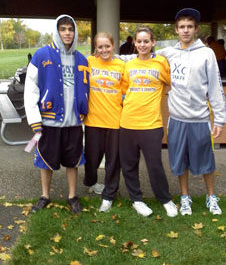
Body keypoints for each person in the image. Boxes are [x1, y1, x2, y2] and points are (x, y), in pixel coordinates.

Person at [157, 8, 226, 216]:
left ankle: (211, 196)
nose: (185, 30)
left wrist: (220, 119)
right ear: (176, 30)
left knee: (206, 162)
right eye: (181, 27)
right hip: (177, 120)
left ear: (196, 29)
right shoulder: (168, 53)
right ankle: (185, 197)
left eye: (189, 26)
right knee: (179, 162)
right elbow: (141, 55)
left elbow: (215, 87)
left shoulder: (207, 53)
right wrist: (110, 56)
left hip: (200, 119)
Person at [24, 14, 89, 214]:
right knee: (45, 161)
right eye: (63, 29)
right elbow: (31, 90)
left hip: (73, 123)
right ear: (57, 31)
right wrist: (35, 120)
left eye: (71, 29)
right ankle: (45, 195)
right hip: (49, 123)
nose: (67, 33)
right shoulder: (41, 56)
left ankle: (72, 197)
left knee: (73, 161)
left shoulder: (81, 58)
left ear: (75, 32)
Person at [119, 26, 178, 217]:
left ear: (153, 43)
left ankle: (165, 199)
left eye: (146, 41)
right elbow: (124, 90)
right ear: (134, 43)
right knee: (129, 165)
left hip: (151, 124)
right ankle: (137, 200)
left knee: (154, 165)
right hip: (127, 123)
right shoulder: (129, 65)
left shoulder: (161, 63)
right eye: (139, 41)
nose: (142, 45)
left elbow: (173, 85)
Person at [83, 32, 125, 212]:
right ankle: (91, 182)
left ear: (113, 46)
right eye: (100, 47)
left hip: (115, 121)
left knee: (113, 161)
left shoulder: (122, 66)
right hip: (93, 120)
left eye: (107, 46)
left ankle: (109, 194)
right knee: (92, 159)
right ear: (95, 49)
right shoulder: (88, 62)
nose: (104, 50)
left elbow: (127, 92)